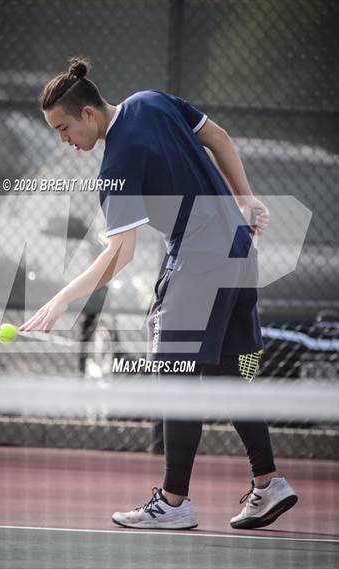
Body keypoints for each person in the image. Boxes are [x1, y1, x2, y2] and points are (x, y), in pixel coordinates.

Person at [19, 57, 297, 530]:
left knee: (175, 376)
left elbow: (118, 255)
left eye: (64, 128)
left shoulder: (116, 163)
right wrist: (245, 197)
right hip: (237, 247)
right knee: (232, 372)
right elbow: (219, 138)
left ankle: (172, 502)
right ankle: (269, 482)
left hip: (199, 262)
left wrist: (61, 298)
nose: (64, 142)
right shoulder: (153, 100)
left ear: (88, 114)